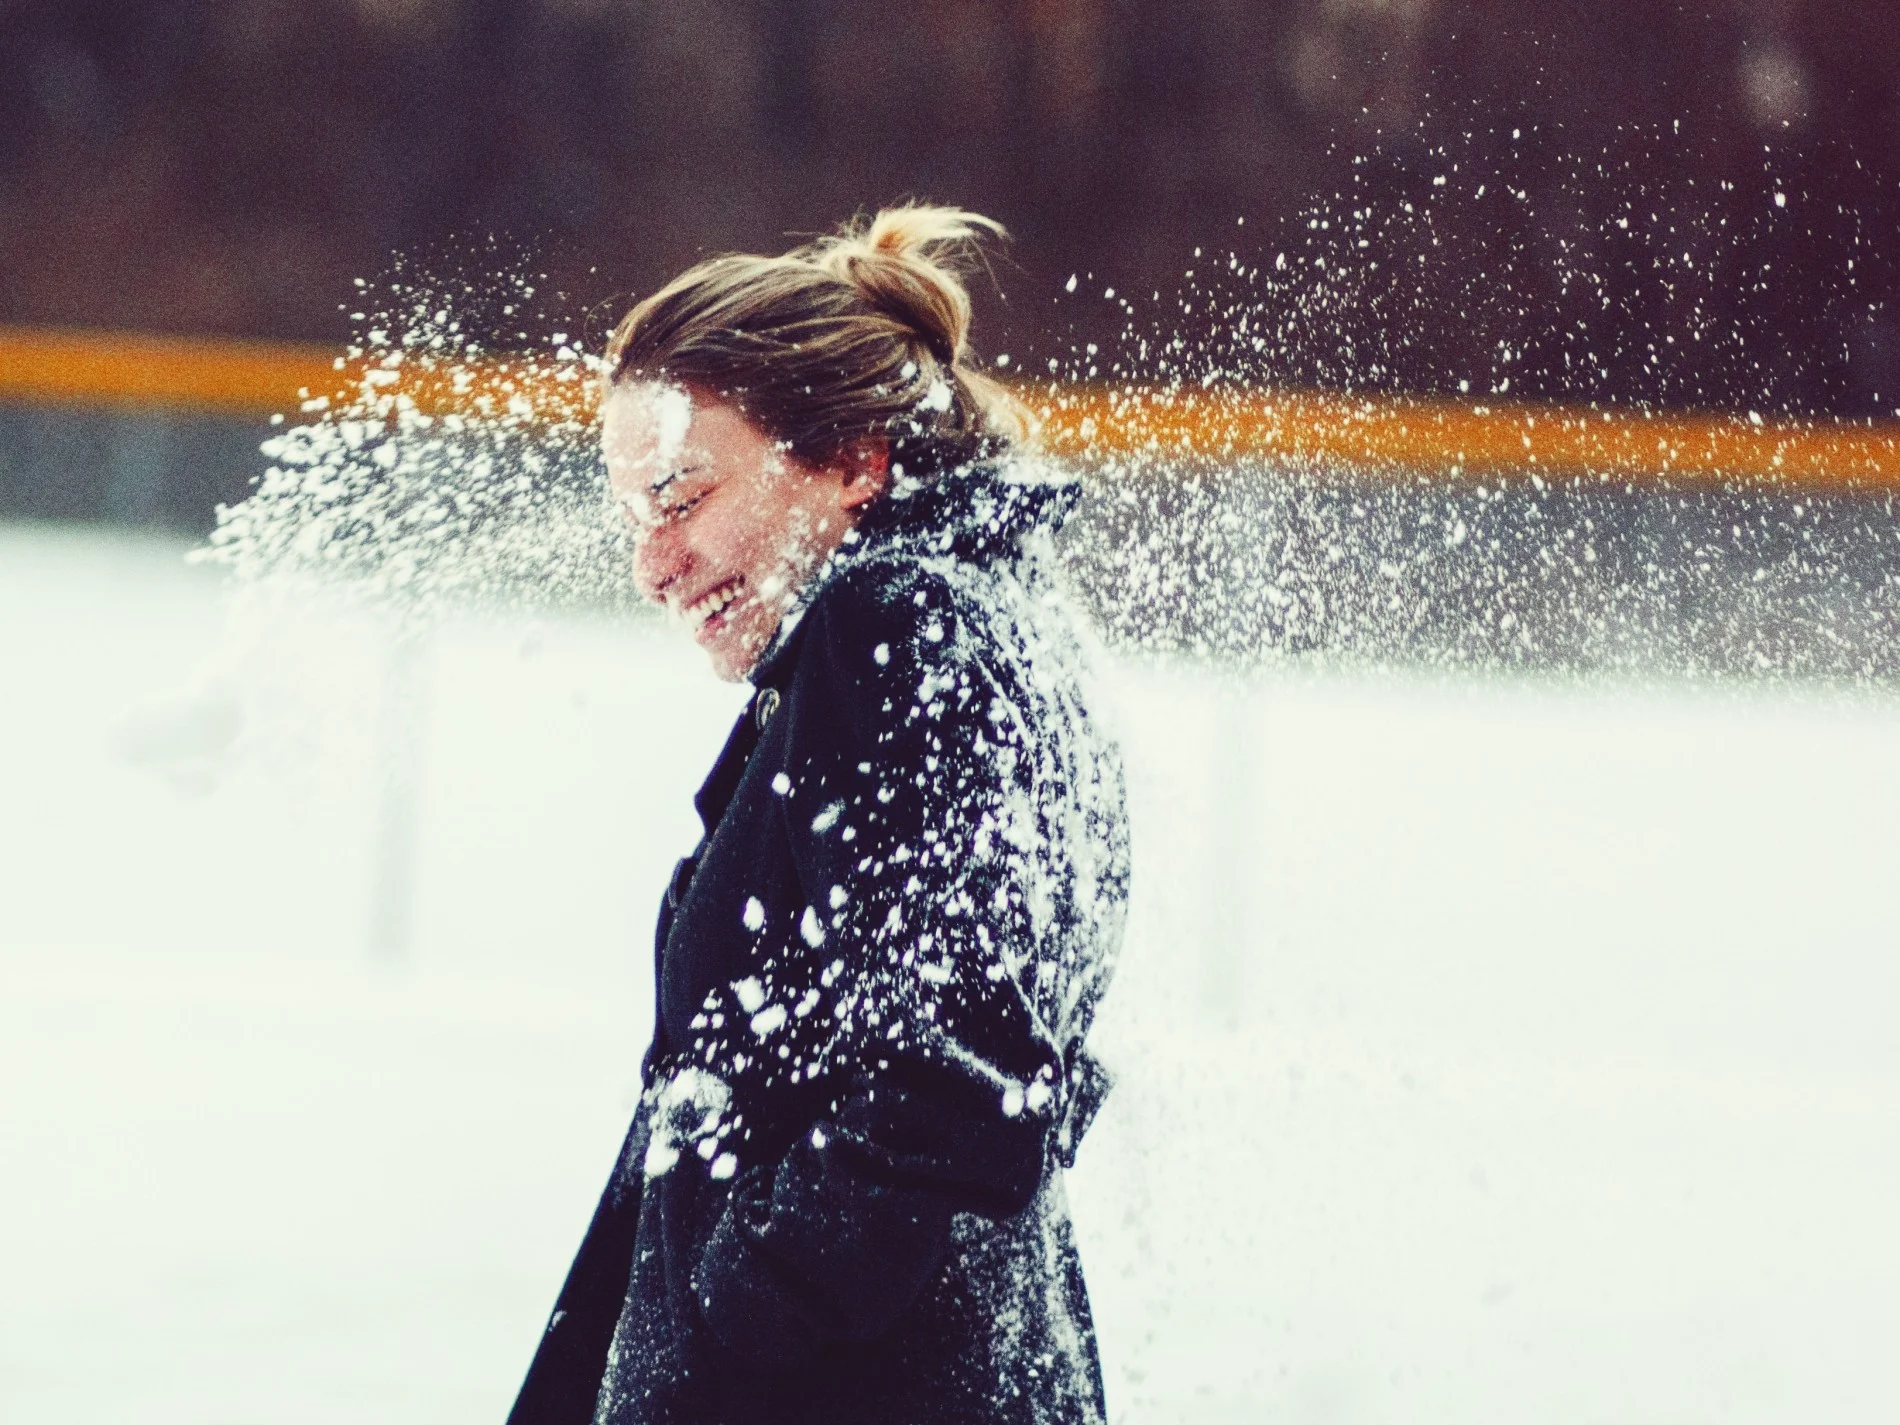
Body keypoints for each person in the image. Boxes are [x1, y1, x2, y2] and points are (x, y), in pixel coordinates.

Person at [507, 205, 1129, 1425]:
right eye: (638, 515)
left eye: (684, 496)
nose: (656, 561)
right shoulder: (996, 622)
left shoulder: (895, 630)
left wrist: (723, 1342)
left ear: (854, 459)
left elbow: (961, 1079)